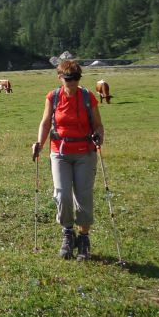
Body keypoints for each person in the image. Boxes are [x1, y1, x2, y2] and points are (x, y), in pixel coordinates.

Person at [31, 59, 104, 260]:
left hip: (85, 152)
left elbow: (98, 125)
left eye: (76, 78)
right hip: (60, 152)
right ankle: (68, 233)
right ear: (60, 77)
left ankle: (84, 238)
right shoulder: (53, 97)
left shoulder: (88, 97)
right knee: (62, 194)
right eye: (68, 78)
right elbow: (46, 123)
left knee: (83, 196)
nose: (72, 82)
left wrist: (99, 136)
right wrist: (39, 143)